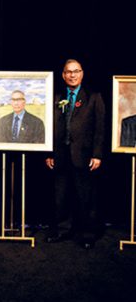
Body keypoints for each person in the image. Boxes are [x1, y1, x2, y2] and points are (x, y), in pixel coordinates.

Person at [45, 59, 105, 249]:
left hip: (85, 156)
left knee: (85, 197)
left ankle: (87, 234)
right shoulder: (55, 97)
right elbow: (50, 127)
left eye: (76, 71)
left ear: (82, 73)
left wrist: (97, 155)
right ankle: (62, 230)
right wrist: (49, 153)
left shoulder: (94, 97)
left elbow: (100, 129)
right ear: (63, 75)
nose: (72, 75)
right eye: (68, 72)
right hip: (60, 155)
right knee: (60, 197)